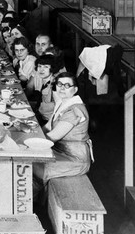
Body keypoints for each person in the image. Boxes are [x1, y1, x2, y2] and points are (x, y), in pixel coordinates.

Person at [33, 72, 93, 202]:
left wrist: (29, 143)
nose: (62, 88)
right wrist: (33, 133)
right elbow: (48, 126)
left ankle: (32, 205)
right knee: (30, 163)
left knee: (34, 166)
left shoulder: (75, 110)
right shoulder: (63, 103)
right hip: (61, 151)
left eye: (67, 85)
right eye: (60, 84)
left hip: (75, 159)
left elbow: (53, 137)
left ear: (75, 89)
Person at [26, 54, 58, 123]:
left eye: (46, 67)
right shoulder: (40, 78)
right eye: (39, 66)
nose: (41, 70)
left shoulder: (54, 84)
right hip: (39, 114)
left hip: (48, 120)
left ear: (52, 68)